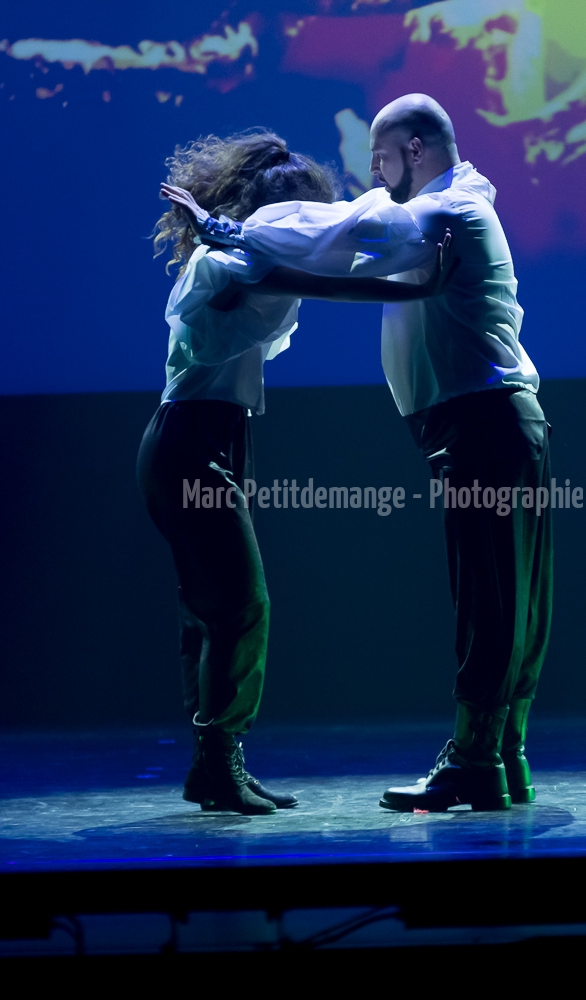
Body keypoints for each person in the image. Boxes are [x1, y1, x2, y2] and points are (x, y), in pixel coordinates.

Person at [216, 95, 552, 813]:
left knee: (492, 598)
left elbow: (344, 231)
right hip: (489, 425)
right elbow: (358, 243)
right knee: (508, 596)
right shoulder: (443, 212)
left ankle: (478, 760)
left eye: (381, 156)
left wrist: (235, 230)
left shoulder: (443, 213)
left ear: (417, 149)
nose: (373, 171)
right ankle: (502, 756)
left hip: (483, 426)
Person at [143, 129, 455, 815]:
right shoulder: (226, 266)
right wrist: (422, 287)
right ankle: (218, 761)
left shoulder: (243, 255)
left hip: (220, 437)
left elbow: (313, 269)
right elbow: (317, 281)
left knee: (211, 611)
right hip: (189, 442)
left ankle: (213, 765)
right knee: (240, 606)